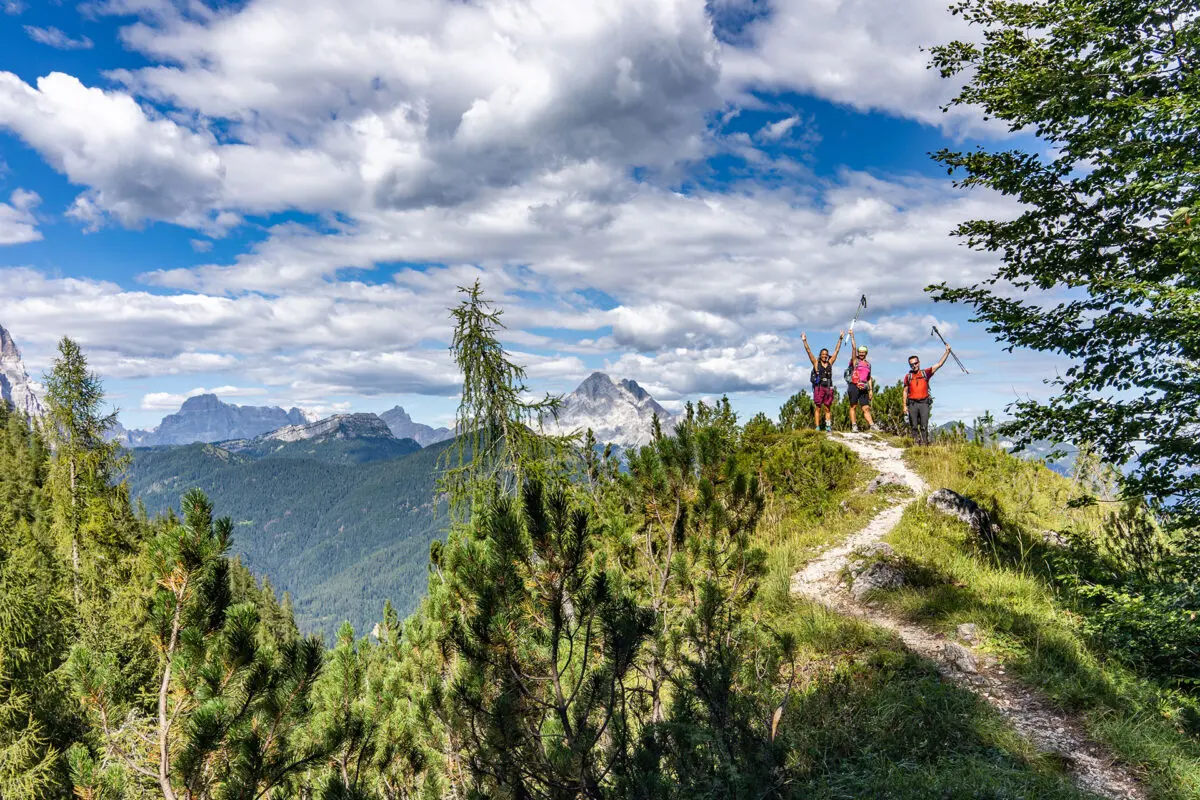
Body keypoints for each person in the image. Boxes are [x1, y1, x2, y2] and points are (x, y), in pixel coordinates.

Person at [902, 345, 952, 445]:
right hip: (912, 404)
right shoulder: (908, 376)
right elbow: (905, 391)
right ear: (909, 365)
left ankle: (924, 445)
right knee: (914, 426)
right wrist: (904, 406)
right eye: (911, 364)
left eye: (915, 363)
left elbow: (939, 364)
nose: (914, 365)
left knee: (924, 426)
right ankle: (915, 445)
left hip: (924, 403)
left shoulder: (926, 373)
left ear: (919, 363)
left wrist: (947, 352)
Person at [802, 330, 844, 431]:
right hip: (819, 387)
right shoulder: (816, 363)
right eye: (823, 354)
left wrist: (840, 339)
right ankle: (817, 427)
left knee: (828, 408)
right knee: (818, 408)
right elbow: (808, 351)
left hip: (829, 387)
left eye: (826, 354)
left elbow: (837, 351)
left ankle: (828, 426)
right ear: (820, 355)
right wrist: (804, 341)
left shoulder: (830, 362)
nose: (825, 356)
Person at [846, 332, 873, 432]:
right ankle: (854, 425)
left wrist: (870, 390)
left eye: (863, 352)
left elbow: (869, 377)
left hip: (864, 387)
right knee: (853, 406)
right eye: (860, 352)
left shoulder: (868, 364)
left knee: (866, 407)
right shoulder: (855, 361)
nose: (861, 354)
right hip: (854, 385)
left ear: (866, 353)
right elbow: (853, 348)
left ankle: (872, 425)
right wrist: (852, 337)